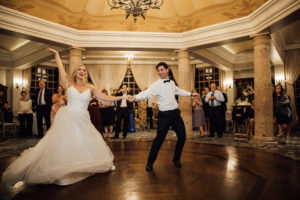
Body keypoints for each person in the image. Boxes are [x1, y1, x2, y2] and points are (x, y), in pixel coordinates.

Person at [2, 48, 127, 186]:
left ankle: (94, 163)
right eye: (79, 69)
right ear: (75, 72)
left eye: (84, 70)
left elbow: (106, 97)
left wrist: (122, 96)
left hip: (83, 118)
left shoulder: (91, 87)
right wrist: (56, 55)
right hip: (69, 117)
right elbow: (61, 69)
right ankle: (65, 169)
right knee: (67, 143)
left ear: (86, 74)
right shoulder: (69, 83)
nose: (82, 71)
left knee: (85, 142)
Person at [128, 62, 199, 172]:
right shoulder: (157, 84)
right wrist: (135, 97)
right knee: (159, 139)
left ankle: (176, 159)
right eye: (158, 70)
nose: (160, 72)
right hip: (164, 115)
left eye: (162, 69)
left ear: (167, 70)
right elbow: (147, 93)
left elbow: (178, 90)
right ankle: (150, 163)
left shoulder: (172, 82)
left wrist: (190, 94)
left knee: (182, 136)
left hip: (175, 114)